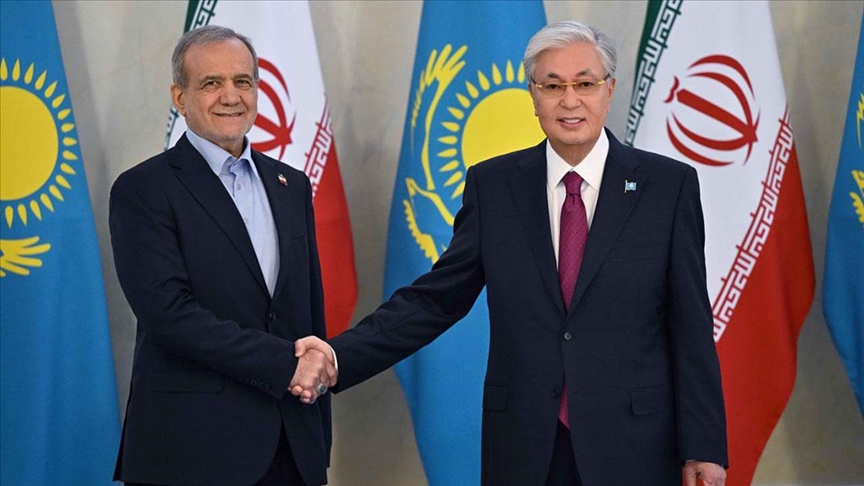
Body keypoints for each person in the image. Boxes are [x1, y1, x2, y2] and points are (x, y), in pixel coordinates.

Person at [296, 20, 728, 485]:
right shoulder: (495, 187)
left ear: (609, 89)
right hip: (525, 444)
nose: (569, 100)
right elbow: (435, 300)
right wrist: (338, 355)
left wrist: (703, 446)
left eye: (585, 84)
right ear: (533, 96)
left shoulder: (667, 187)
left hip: (635, 445)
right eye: (552, 85)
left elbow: (690, 324)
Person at [109, 26, 336, 486]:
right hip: (192, 450)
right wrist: (285, 364)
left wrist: (317, 431)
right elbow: (169, 316)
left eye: (242, 81)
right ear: (180, 97)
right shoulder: (143, 190)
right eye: (211, 83)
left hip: (292, 445)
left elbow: (306, 310)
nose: (231, 96)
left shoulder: (291, 185)